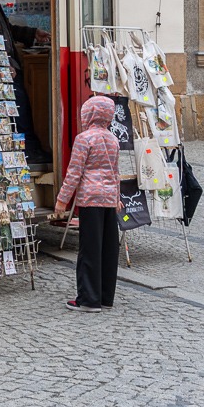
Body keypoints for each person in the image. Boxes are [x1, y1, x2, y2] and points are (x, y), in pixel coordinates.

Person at [51, 95, 121, 312]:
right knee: (109, 250)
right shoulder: (113, 139)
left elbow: (74, 172)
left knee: (90, 250)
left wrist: (62, 200)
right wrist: (117, 198)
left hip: (91, 200)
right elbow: (115, 172)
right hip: (109, 200)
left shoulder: (84, 139)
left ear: (89, 114)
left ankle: (88, 300)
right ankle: (105, 298)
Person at [0, 0, 52, 165]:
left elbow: (8, 30)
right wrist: (2, 61)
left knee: (20, 107)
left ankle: (30, 148)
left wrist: (32, 34)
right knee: (19, 109)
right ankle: (28, 150)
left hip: (9, 64)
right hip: (4, 67)